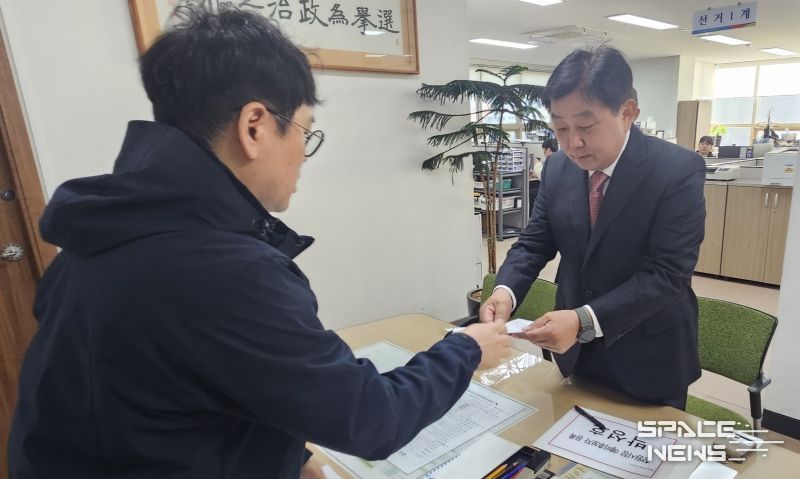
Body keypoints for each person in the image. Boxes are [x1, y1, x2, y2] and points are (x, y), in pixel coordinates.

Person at [8, 9, 512, 479]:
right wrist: (464, 349)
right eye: (305, 133)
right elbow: (370, 419)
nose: (304, 156)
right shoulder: (224, 270)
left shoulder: (107, 228)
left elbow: (187, 383)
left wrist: (287, 453)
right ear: (255, 127)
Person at [480, 46, 706, 409]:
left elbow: (667, 274)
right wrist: (505, 292)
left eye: (585, 127)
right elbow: (534, 243)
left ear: (627, 112)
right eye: (560, 127)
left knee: (646, 445)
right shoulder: (558, 168)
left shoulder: (676, 170)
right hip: (575, 353)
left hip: (649, 354)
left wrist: (584, 320)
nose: (573, 143)